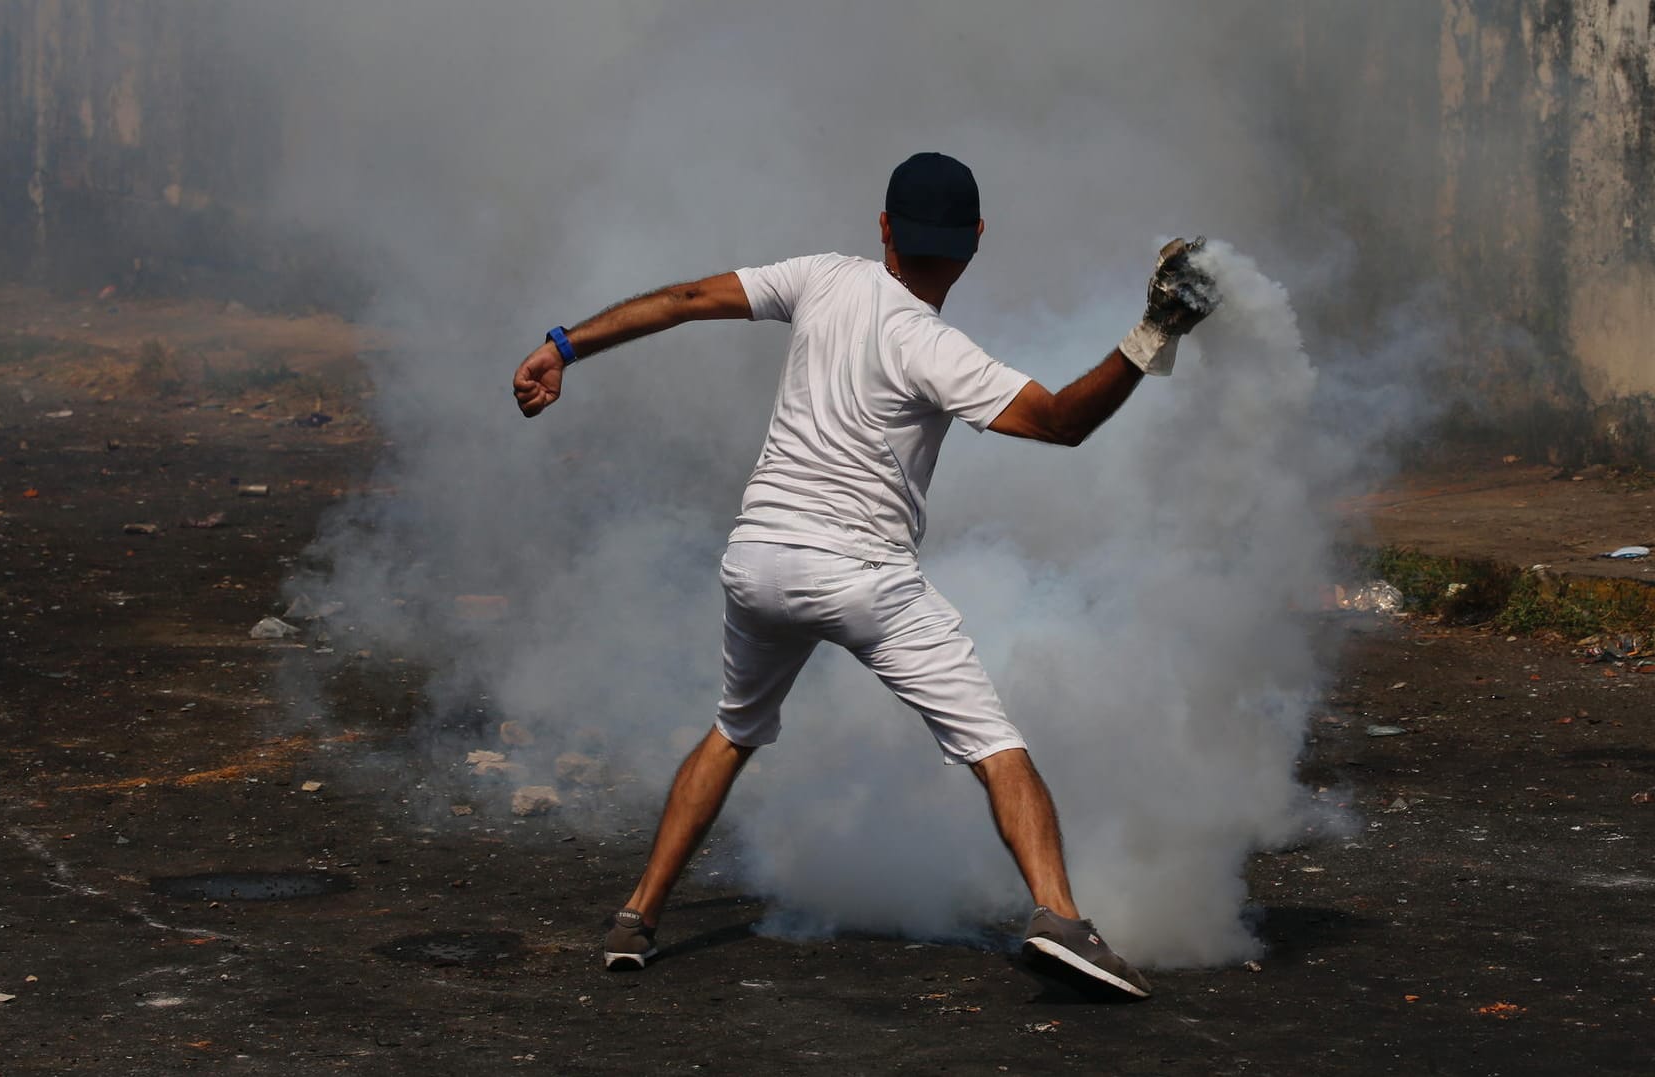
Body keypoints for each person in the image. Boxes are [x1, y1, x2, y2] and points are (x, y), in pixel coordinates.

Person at [511, 152, 1219, 999]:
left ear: (883, 228)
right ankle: (1059, 917)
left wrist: (562, 346)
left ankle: (636, 917)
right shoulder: (934, 345)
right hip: (860, 576)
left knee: (734, 728)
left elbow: (688, 300)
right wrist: (1152, 335)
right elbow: (1063, 422)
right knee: (996, 746)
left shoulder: (821, 278)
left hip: (758, 560)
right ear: (975, 243)